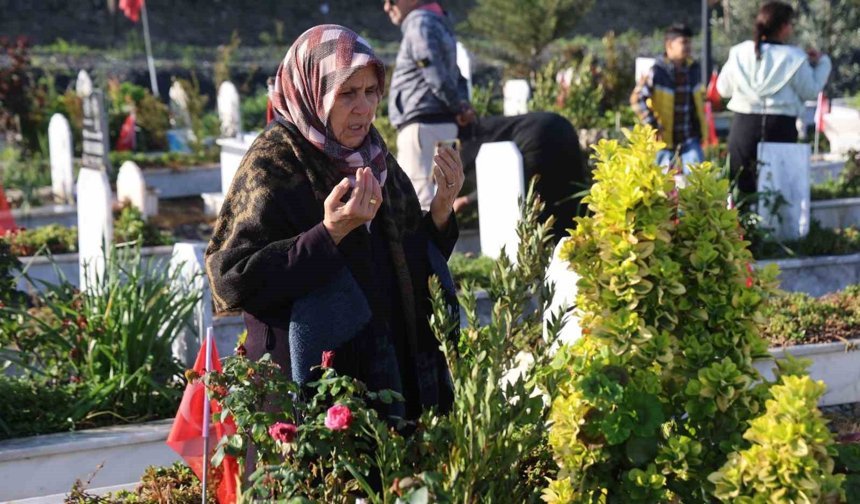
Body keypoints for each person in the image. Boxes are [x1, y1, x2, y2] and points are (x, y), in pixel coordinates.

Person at [205, 25, 464, 421]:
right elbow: (231, 279)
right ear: (313, 91)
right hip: (313, 399)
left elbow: (407, 261)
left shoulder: (375, 158)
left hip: (392, 384)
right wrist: (328, 235)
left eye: (371, 91)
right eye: (347, 93)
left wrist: (442, 210)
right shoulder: (273, 162)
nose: (364, 107)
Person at [717, 1, 831, 199]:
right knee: (777, 189)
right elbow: (810, 91)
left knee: (740, 188)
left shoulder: (740, 52)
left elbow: (723, 88)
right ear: (784, 27)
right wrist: (823, 63)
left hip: (743, 125)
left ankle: (741, 220)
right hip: (780, 126)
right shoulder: (794, 57)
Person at [384, 0, 474, 210]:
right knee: (443, 200)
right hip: (443, 125)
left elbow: (434, 73)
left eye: (390, 0)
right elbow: (455, 75)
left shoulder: (420, 23)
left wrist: (458, 106)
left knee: (417, 201)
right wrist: (462, 105)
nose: (387, 7)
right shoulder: (440, 24)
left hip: (422, 128)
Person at [456, 112, 588, 241]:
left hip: (535, 140)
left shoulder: (467, 147)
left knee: (537, 208)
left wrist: (465, 200)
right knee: (572, 199)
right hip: (561, 125)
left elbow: (501, 179)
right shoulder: (481, 127)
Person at [630, 23, 708, 173]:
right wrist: (653, 125)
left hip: (689, 137)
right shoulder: (657, 71)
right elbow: (637, 99)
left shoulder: (693, 69)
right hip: (663, 140)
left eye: (689, 42)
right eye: (683, 42)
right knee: (661, 181)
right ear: (669, 45)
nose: (688, 46)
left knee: (698, 179)